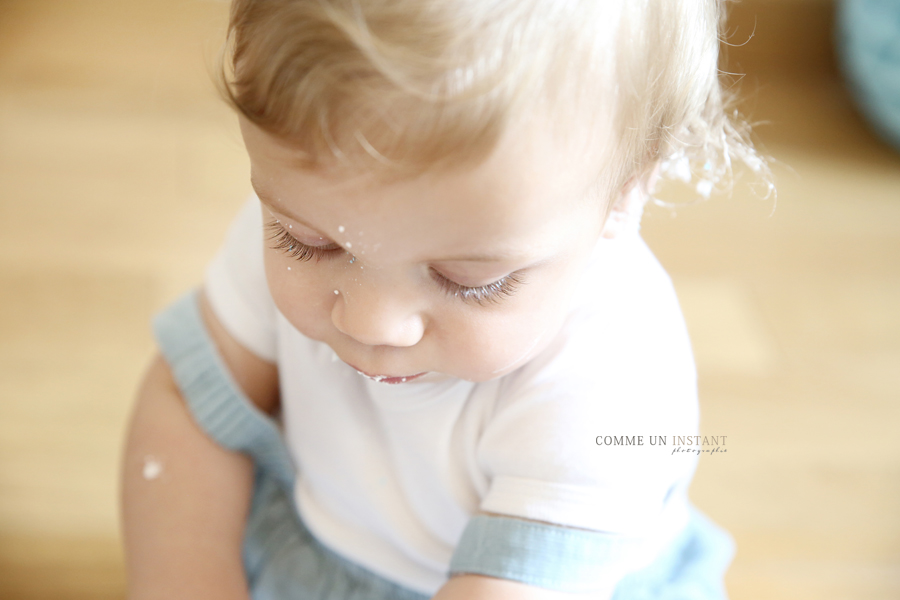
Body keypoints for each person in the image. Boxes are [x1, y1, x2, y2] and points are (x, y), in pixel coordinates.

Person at [121, 1, 765, 598]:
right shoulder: (326, 205)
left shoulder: (622, 386)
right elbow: (188, 406)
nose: (372, 322)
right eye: (307, 244)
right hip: (318, 541)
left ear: (626, 191)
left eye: (468, 280)